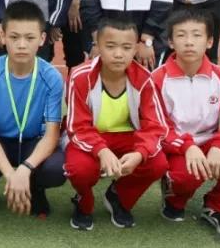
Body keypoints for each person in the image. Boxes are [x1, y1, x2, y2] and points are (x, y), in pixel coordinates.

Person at [153, 9, 220, 238]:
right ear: (170, 41)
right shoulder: (158, 79)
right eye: (181, 35)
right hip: (177, 148)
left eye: (197, 35)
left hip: (211, 142)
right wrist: (187, 147)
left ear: (210, 41)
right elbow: (156, 126)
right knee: (184, 176)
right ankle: (175, 199)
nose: (189, 42)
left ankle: (217, 205)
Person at [64, 15, 169, 231]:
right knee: (79, 169)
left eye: (126, 47)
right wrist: (102, 151)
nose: (118, 54)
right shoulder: (80, 76)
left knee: (157, 163)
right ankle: (84, 202)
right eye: (110, 46)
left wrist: (140, 153)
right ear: (98, 46)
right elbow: (77, 127)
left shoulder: (144, 79)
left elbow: (156, 126)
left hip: (128, 138)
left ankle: (119, 197)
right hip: (92, 136)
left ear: (135, 49)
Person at [0, 1, 67, 218]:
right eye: (14, 37)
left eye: (30, 38)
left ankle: (36, 186)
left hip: (33, 141)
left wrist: (25, 170)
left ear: (42, 39)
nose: (22, 45)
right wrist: (10, 175)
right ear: (2, 37)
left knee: (57, 168)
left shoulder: (51, 77)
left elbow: (52, 135)